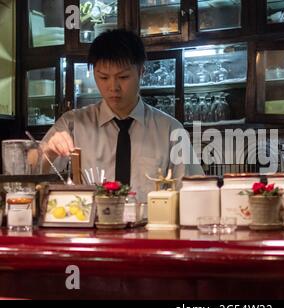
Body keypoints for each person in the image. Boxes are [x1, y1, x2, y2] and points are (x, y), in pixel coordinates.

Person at [41, 29, 203, 202]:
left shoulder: (171, 130)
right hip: (92, 225)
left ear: (141, 72)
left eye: (123, 77)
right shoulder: (73, 124)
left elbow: (195, 192)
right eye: (103, 78)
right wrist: (48, 152)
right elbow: (31, 170)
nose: (113, 87)